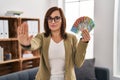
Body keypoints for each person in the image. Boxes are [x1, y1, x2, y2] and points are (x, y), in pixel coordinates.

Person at [17, 6, 90, 80]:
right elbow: (34, 43)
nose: (53, 22)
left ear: (62, 20)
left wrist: (84, 43)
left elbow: (78, 63)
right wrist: (26, 44)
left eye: (57, 18)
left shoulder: (72, 38)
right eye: (50, 18)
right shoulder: (42, 37)